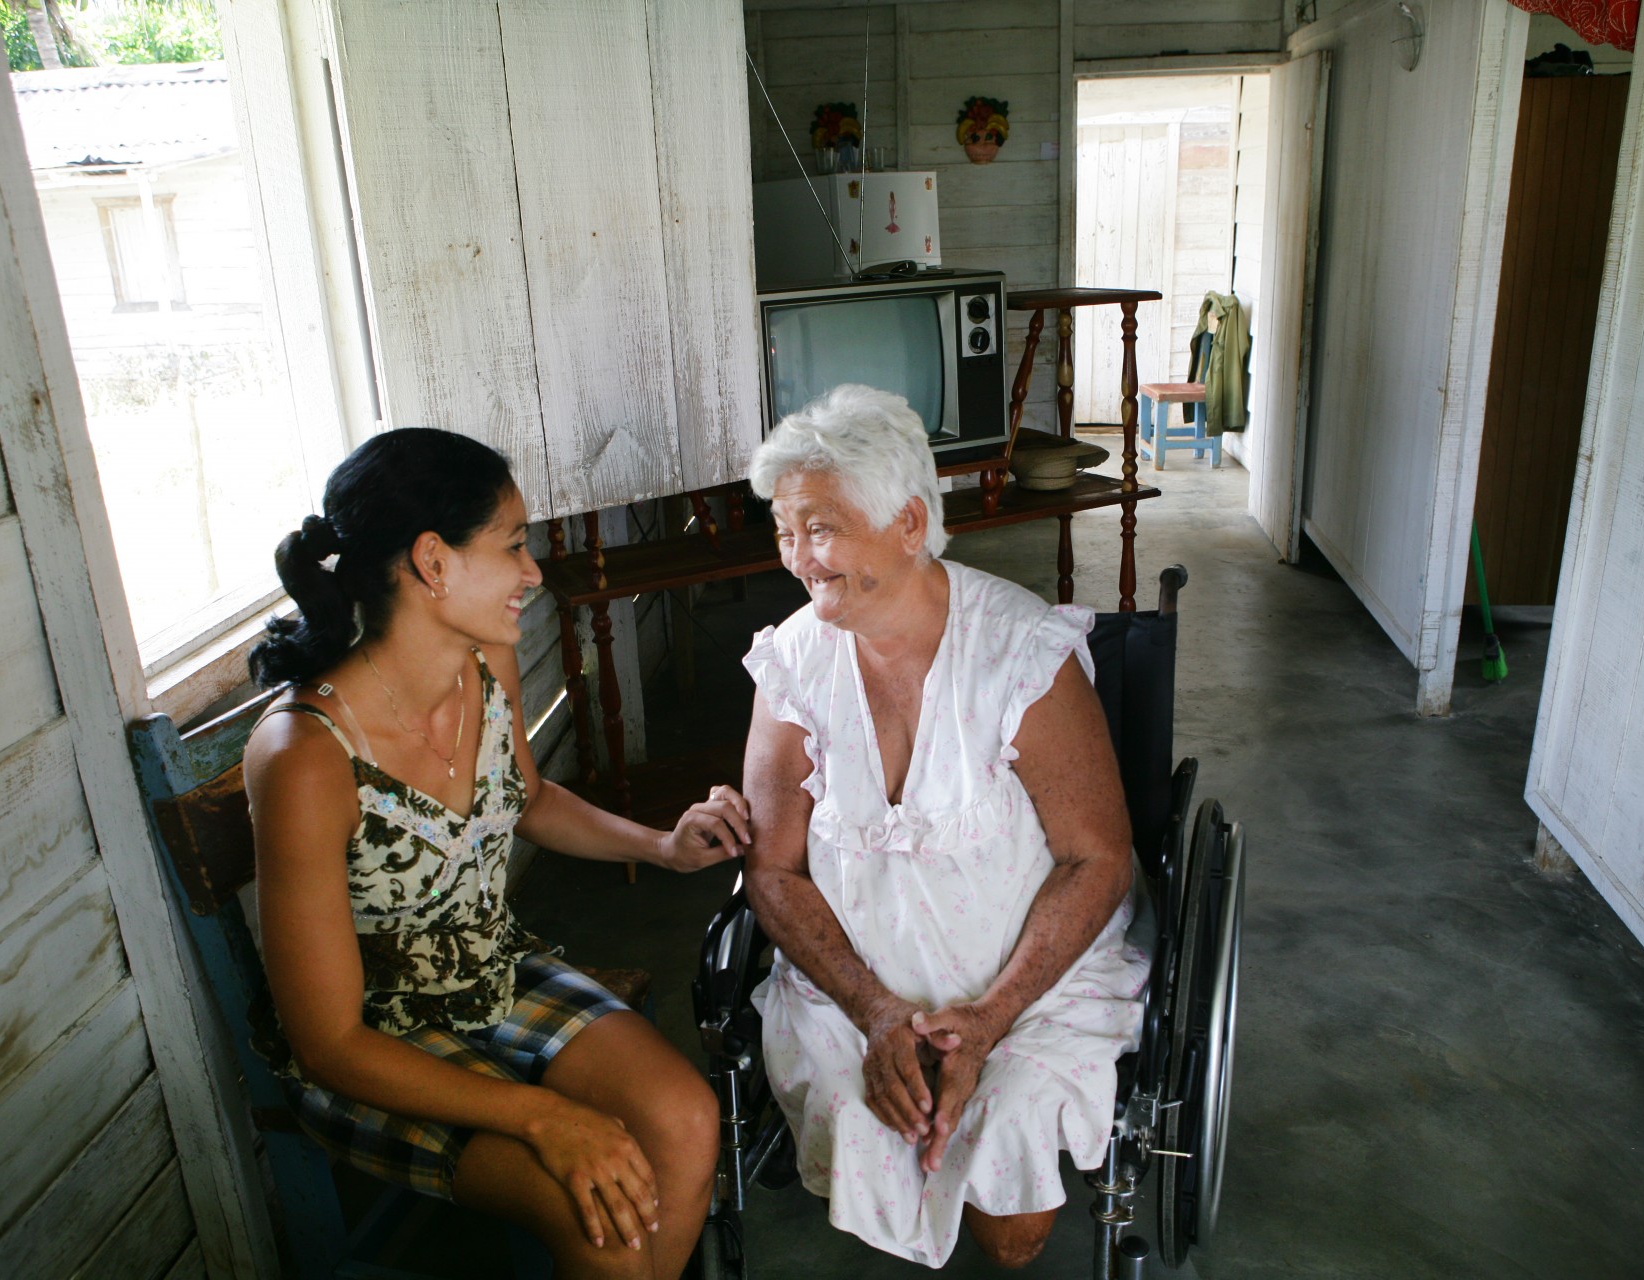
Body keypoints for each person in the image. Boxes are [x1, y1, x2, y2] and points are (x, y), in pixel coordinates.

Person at [244, 428, 749, 1280]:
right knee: (601, 1216)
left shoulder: (486, 663)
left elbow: (532, 800)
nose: (533, 572)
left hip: (493, 971)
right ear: (434, 562)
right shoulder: (305, 756)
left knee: (688, 1119)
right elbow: (329, 1041)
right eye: (513, 544)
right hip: (376, 1041)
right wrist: (539, 1116)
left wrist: (663, 848)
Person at [739, 385, 1150, 1269]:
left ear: (910, 522)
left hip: (1029, 990)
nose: (798, 558)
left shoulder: (1019, 652)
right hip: (850, 996)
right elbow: (771, 874)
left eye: (820, 528)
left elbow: (1097, 858)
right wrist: (879, 1011)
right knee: (872, 1147)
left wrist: (992, 1017)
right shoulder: (792, 663)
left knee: (1012, 1233)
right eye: (784, 531)